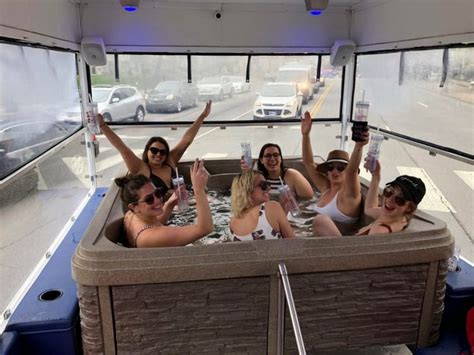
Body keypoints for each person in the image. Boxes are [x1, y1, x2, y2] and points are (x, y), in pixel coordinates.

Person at [98, 101, 212, 197]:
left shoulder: (169, 162)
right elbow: (122, 148)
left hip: (180, 208)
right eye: (154, 150)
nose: (158, 155)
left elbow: (186, 140)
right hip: (161, 212)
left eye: (163, 152)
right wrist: (103, 125)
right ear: (147, 151)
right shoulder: (142, 168)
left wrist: (203, 116)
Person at [115, 159, 213, 248]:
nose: (157, 200)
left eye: (157, 193)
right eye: (149, 199)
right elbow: (205, 228)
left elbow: (154, 224)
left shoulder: (131, 215)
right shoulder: (149, 237)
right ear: (134, 206)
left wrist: (170, 203)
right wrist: (198, 189)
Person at [313, 160, 426, 236]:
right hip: (347, 243)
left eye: (399, 199)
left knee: (321, 220)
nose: (390, 200)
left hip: (344, 254)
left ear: (409, 208)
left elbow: (356, 258)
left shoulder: (380, 230)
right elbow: (369, 208)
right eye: (389, 192)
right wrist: (376, 176)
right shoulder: (397, 217)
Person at [301, 111, 369, 234]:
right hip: (316, 239)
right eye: (330, 167)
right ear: (326, 171)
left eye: (341, 168)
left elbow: (352, 172)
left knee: (320, 220)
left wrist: (359, 146)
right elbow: (308, 163)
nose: (335, 171)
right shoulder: (326, 189)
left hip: (337, 248)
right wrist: (305, 135)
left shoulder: (348, 195)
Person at [229, 170, 295, 241]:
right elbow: (295, 245)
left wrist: (282, 214)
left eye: (268, 184)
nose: (269, 188)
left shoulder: (231, 223)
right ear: (247, 190)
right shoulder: (272, 207)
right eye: (263, 185)